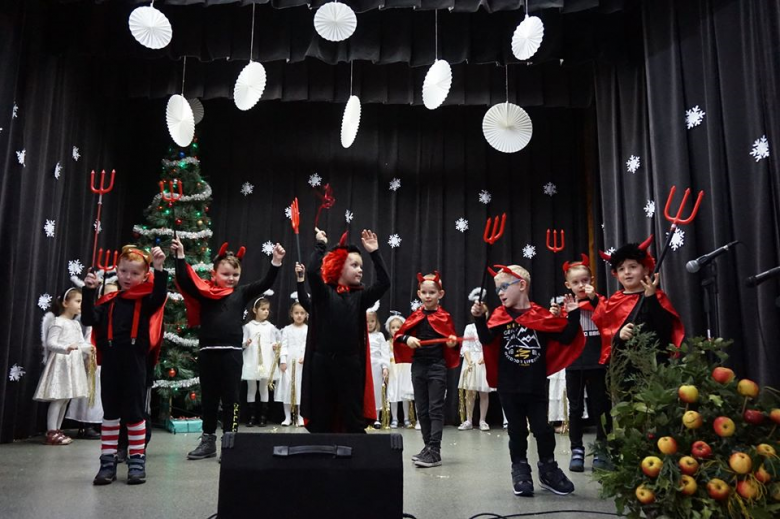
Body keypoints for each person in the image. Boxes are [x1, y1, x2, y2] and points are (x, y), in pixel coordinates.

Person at [471, 264, 585, 497]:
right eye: (497, 289)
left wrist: (573, 314)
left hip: (535, 386)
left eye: (504, 287)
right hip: (508, 387)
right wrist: (480, 319)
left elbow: (565, 337)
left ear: (521, 286)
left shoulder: (540, 316)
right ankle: (520, 469)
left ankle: (548, 468)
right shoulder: (499, 316)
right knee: (517, 431)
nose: (500, 293)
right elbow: (485, 339)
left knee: (543, 429)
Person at [172, 237, 284, 460]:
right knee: (209, 399)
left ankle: (230, 441)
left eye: (235, 275)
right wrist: (180, 256)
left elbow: (264, 283)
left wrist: (276, 262)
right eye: (226, 274)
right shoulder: (204, 292)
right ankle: (208, 441)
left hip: (231, 353)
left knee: (232, 399)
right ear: (214, 273)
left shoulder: (240, 293)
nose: (231, 279)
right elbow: (184, 281)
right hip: (208, 353)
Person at [83, 245, 168, 485]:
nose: (128, 277)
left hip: (135, 364)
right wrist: (90, 291)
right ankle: (107, 462)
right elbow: (90, 318)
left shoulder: (146, 301)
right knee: (110, 413)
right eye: (123, 271)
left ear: (144, 276)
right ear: (117, 272)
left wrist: (159, 268)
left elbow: (160, 296)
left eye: (134, 273)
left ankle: (137, 460)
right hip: (111, 364)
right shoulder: (108, 301)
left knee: (134, 413)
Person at [300, 228, 390, 433]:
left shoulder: (360, 297)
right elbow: (313, 272)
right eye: (354, 265)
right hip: (322, 362)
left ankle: (355, 459)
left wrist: (374, 252)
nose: (360, 270)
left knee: (352, 415)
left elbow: (384, 282)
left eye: (361, 266)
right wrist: (321, 245)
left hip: (350, 363)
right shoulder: (323, 294)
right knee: (322, 415)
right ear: (339, 267)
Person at [550, 254, 612, 472]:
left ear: (591, 280)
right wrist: (557, 317)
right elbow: (561, 334)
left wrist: (594, 299)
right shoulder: (566, 305)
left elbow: (608, 318)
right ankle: (577, 449)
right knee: (575, 407)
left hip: (598, 361)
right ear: (568, 285)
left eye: (585, 280)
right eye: (575, 282)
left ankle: (602, 449)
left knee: (600, 407)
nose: (581, 285)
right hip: (575, 363)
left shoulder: (600, 301)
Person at [394, 272, 459, 468]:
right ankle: (427, 447)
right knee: (422, 410)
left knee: (435, 409)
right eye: (424, 292)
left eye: (432, 292)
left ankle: (435, 450)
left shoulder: (444, 317)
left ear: (441, 294)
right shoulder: (415, 316)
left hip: (437, 367)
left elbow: (453, 344)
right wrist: (408, 339)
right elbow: (399, 336)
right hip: (419, 367)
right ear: (419, 294)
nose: (428, 296)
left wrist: (452, 344)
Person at [593, 237, 685, 366]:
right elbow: (607, 334)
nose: (627, 272)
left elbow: (666, 330)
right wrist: (619, 335)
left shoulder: (657, 296)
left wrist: (651, 298)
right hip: (624, 366)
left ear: (645, 270)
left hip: (654, 364)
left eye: (633, 267)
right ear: (616, 274)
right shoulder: (614, 301)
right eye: (621, 269)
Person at [33, 287, 92, 446]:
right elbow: (51, 343)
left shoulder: (76, 324)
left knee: (65, 398)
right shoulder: (58, 322)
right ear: (66, 303)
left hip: (73, 364)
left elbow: (80, 342)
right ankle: (51, 431)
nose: (81, 305)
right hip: (61, 363)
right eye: (78, 301)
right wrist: (65, 348)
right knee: (58, 398)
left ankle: (58, 429)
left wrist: (89, 348)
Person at [458, 288, 494, 432]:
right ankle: (468, 419)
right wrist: (469, 360)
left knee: (484, 393)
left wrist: (484, 357)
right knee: (470, 392)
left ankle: (482, 420)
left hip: (483, 361)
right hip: (471, 361)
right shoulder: (469, 327)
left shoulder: (490, 327)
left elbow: (489, 344)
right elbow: (465, 345)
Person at [241, 296, 281, 427]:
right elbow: (241, 343)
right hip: (251, 360)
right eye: (263, 309)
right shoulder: (248, 327)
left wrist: (275, 345)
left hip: (266, 361)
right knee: (251, 388)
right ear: (255, 310)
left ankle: (263, 417)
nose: (266, 312)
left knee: (264, 388)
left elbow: (275, 340)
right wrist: (245, 343)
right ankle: (252, 416)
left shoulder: (270, 327)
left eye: (267, 309)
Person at [276, 298, 308, 426]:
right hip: (289, 363)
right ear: (291, 314)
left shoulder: (308, 329)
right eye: (296, 313)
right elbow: (284, 345)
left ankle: (300, 416)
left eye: (302, 313)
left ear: (306, 315)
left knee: (300, 389)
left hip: (301, 364)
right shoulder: (287, 329)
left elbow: (309, 346)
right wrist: (283, 361)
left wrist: (305, 357)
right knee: (287, 388)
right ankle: (287, 417)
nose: (299, 315)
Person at [385, 313, 414, 429]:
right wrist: (386, 369)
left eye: (398, 327)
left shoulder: (406, 342)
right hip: (393, 371)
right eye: (393, 327)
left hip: (404, 370)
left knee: (405, 394)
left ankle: (406, 418)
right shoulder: (387, 344)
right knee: (393, 395)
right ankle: (395, 419)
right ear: (389, 329)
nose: (396, 330)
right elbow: (385, 357)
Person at [367, 304, 390, 428]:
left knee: (376, 391)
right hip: (364, 366)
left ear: (376, 322)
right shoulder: (360, 335)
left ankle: (375, 417)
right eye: (367, 322)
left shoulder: (380, 336)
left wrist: (385, 366)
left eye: (372, 321)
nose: (369, 324)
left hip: (376, 366)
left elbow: (384, 352)